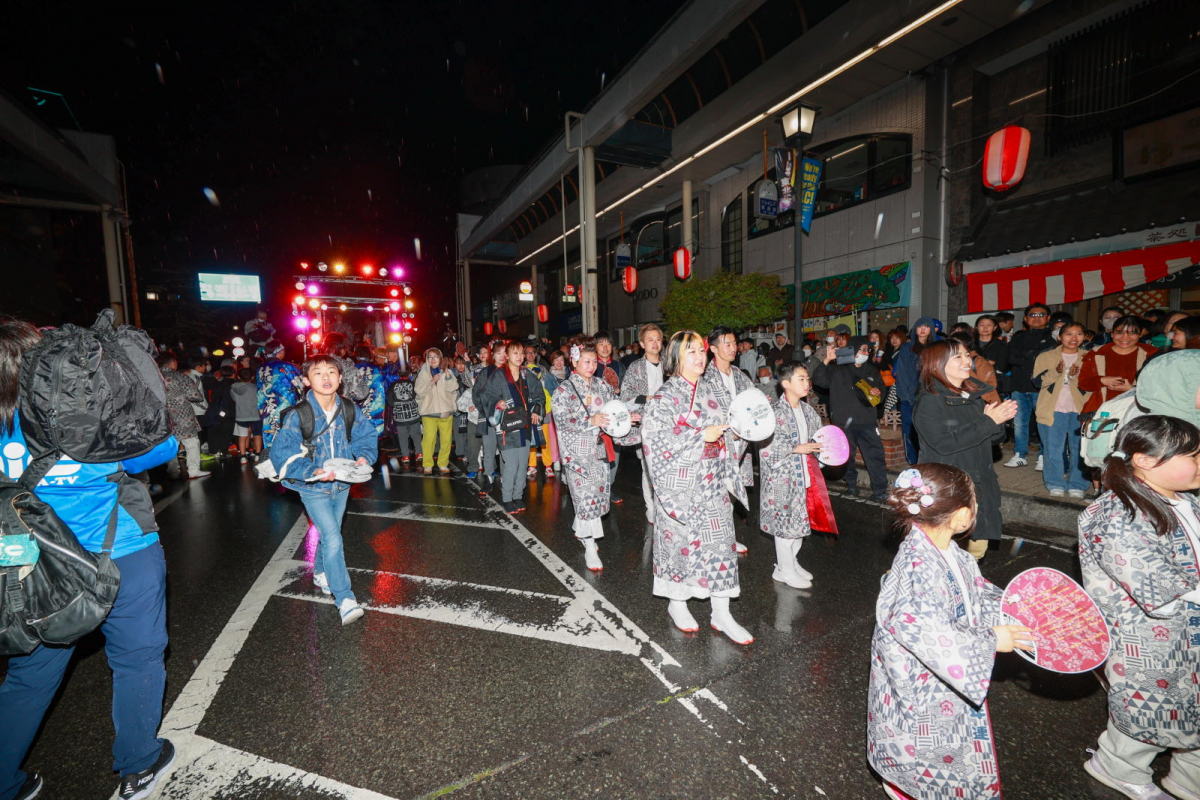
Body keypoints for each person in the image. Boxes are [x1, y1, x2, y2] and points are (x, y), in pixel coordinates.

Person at [0, 316, 183, 800]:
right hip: (120, 552)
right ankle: (138, 764)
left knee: (28, 677)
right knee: (137, 657)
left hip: (34, 568)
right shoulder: (81, 414)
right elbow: (162, 447)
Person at [867, 463, 1034, 800]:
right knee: (926, 741)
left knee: (946, 741)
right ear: (961, 518)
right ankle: (907, 786)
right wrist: (990, 640)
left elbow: (974, 590)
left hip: (939, 674)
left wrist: (1013, 607)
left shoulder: (947, 551)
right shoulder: (919, 565)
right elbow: (924, 628)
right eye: (975, 504)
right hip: (922, 681)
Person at [1078, 416, 1200, 800]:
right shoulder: (1115, 514)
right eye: (1194, 455)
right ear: (1146, 460)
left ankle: (1189, 778)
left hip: (1188, 630)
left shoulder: (1185, 499)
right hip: (1148, 639)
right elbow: (1156, 584)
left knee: (1191, 707)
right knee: (1148, 710)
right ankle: (1118, 768)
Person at [642, 330, 753, 645]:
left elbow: (727, 433)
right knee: (680, 546)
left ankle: (722, 612)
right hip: (681, 484)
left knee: (720, 544)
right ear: (675, 357)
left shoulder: (712, 392)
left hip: (713, 482)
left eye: (701, 350)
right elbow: (654, 440)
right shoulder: (664, 397)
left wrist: (738, 433)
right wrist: (697, 436)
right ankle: (678, 604)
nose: (699, 356)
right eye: (690, 351)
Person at [268, 354, 377, 625]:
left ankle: (320, 572)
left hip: (342, 483)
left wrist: (363, 456)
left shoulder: (350, 408)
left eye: (331, 372)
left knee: (332, 533)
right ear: (306, 380)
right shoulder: (299, 415)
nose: (326, 377)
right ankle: (345, 598)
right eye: (318, 373)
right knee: (333, 537)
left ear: (341, 378)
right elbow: (283, 451)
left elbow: (366, 435)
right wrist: (311, 471)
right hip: (313, 487)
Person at [911, 340, 1016, 561]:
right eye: (957, 356)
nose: (967, 360)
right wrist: (988, 422)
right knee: (937, 550)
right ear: (937, 364)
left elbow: (993, 438)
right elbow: (942, 444)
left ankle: (964, 587)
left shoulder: (971, 395)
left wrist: (999, 421)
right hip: (948, 487)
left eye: (967, 355)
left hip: (978, 482)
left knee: (976, 549)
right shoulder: (930, 400)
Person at [552, 338, 637, 571]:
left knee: (596, 495)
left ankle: (581, 529)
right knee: (585, 497)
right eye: (586, 361)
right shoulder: (563, 390)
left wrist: (628, 417)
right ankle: (590, 546)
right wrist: (590, 420)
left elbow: (615, 408)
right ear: (574, 362)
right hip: (577, 453)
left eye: (593, 361)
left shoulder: (602, 385)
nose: (590, 365)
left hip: (599, 449)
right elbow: (561, 419)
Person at [758, 362, 836, 590]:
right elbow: (764, 448)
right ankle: (784, 569)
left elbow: (817, 440)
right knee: (785, 528)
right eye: (800, 379)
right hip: (782, 481)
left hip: (805, 475)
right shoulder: (774, 413)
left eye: (807, 378)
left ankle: (789, 563)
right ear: (785, 384)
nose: (806, 383)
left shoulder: (808, 410)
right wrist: (794, 448)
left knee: (801, 525)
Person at [812, 335, 888, 501]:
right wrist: (826, 360)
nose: (866, 352)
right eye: (863, 349)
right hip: (843, 421)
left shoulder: (871, 370)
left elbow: (881, 390)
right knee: (847, 456)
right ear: (853, 350)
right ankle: (851, 485)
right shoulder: (838, 369)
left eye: (868, 350)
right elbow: (819, 381)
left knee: (875, 456)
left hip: (867, 421)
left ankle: (880, 490)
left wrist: (878, 392)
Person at [703, 325, 755, 552]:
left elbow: (754, 405)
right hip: (716, 445)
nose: (733, 348)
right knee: (714, 493)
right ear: (713, 348)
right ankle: (711, 538)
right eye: (727, 343)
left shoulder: (741, 377)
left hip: (740, 446)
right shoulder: (704, 377)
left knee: (732, 493)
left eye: (735, 343)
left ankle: (726, 536)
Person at [477, 341, 544, 512]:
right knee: (511, 464)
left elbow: (539, 394)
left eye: (522, 353)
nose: (520, 356)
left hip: (524, 426)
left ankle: (518, 496)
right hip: (506, 427)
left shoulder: (526, 374)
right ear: (507, 355)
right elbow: (486, 395)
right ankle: (507, 497)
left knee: (523, 464)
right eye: (515, 353)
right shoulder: (498, 375)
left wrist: (537, 409)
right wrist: (497, 402)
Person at [1032, 322, 1092, 498]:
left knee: (1080, 448)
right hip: (1053, 408)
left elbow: (1093, 385)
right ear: (1059, 337)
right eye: (1069, 334)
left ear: (1084, 336)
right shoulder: (1046, 356)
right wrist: (1056, 372)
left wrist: (1075, 377)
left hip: (1080, 408)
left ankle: (1078, 484)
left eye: (1079, 334)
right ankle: (1055, 482)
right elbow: (1037, 382)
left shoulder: (1089, 357)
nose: (1074, 338)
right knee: (1053, 448)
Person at [620, 323, 665, 523]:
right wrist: (648, 399)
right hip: (646, 425)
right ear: (641, 343)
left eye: (658, 339)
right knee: (648, 468)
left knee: (666, 468)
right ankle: (651, 507)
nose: (655, 343)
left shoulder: (671, 365)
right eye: (650, 340)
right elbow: (626, 395)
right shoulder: (635, 368)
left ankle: (667, 507)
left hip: (670, 425)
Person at [1004, 303, 1056, 469]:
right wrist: (1033, 357)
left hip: (1042, 387)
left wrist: (1027, 357)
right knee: (1019, 423)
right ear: (1026, 319)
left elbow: (1049, 361)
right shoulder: (1018, 337)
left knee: (1043, 422)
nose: (1036, 318)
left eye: (1041, 315)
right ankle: (1020, 454)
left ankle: (1042, 455)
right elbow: (1011, 359)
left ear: (1048, 318)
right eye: (1032, 315)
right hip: (1019, 385)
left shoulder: (1054, 337)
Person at [1078, 314, 1153, 417]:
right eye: (1119, 332)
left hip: (1136, 412)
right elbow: (1083, 383)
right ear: (1112, 333)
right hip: (1100, 411)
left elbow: (1158, 387)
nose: (1125, 337)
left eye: (1132, 333)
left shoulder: (1151, 354)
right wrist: (1102, 380)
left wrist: (1132, 390)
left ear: (1141, 334)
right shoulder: (1097, 353)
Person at [890, 317, 938, 464]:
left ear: (931, 329)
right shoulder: (907, 347)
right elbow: (902, 373)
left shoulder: (937, 347)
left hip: (932, 396)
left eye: (926, 326)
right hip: (910, 396)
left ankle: (930, 459)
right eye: (919, 326)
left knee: (931, 429)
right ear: (915, 329)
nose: (923, 329)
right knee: (909, 429)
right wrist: (905, 396)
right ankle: (913, 461)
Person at [158, 351, 208, 479]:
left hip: (162, 415)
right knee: (191, 442)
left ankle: (173, 469)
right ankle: (193, 470)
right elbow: (196, 396)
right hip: (182, 414)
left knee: (170, 442)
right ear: (172, 363)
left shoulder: (153, 377)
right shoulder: (180, 377)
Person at [413, 347, 458, 475]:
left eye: (435, 357)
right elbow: (419, 391)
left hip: (445, 411)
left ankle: (443, 463)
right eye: (429, 357)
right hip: (429, 412)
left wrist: (448, 378)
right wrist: (431, 382)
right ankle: (427, 464)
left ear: (440, 358)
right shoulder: (423, 373)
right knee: (428, 439)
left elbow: (454, 388)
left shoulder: (447, 372)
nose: (432, 359)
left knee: (446, 440)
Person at [471, 342, 508, 491]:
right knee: (489, 448)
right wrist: (487, 410)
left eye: (505, 353)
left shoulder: (511, 371)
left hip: (508, 417)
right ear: (493, 354)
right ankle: (489, 478)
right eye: (498, 353)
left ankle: (506, 478)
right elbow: (476, 394)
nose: (502, 356)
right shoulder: (486, 372)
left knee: (506, 449)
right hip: (489, 416)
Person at [255, 340, 303, 451]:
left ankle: (270, 459)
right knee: (287, 433)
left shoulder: (260, 368)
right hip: (285, 406)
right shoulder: (286, 367)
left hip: (265, 406)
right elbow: (299, 385)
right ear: (279, 352)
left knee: (269, 433)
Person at [386, 367, 421, 467]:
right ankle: (419, 453)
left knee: (402, 436)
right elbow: (419, 397)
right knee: (416, 434)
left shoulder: (393, 385)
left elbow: (390, 401)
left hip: (400, 415)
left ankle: (405, 456)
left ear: (398, 374)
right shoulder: (413, 384)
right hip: (413, 414)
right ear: (409, 373)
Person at [353, 345, 387, 439]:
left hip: (357, 405)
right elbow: (382, 388)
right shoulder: (377, 370)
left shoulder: (352, 369)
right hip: (373, 405)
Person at [230, 367, 263, 463]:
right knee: (257, 435)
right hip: (255, 415)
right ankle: (257, 454)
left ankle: (243, 456)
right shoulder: (256, 389)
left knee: (242, 436)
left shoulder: (233, 389)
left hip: (241, 415)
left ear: (239, 377)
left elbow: (234, 400)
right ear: (252, 377)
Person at [973, 314, 1008, 393]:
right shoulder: (970, 344)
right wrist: (988, 363)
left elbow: (1001, 366)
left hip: (993, 383)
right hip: (972, 382)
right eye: (982, 325)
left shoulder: (1002, 345)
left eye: (989, 325)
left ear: (995, 327)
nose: (985, 328)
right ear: (977, 327)